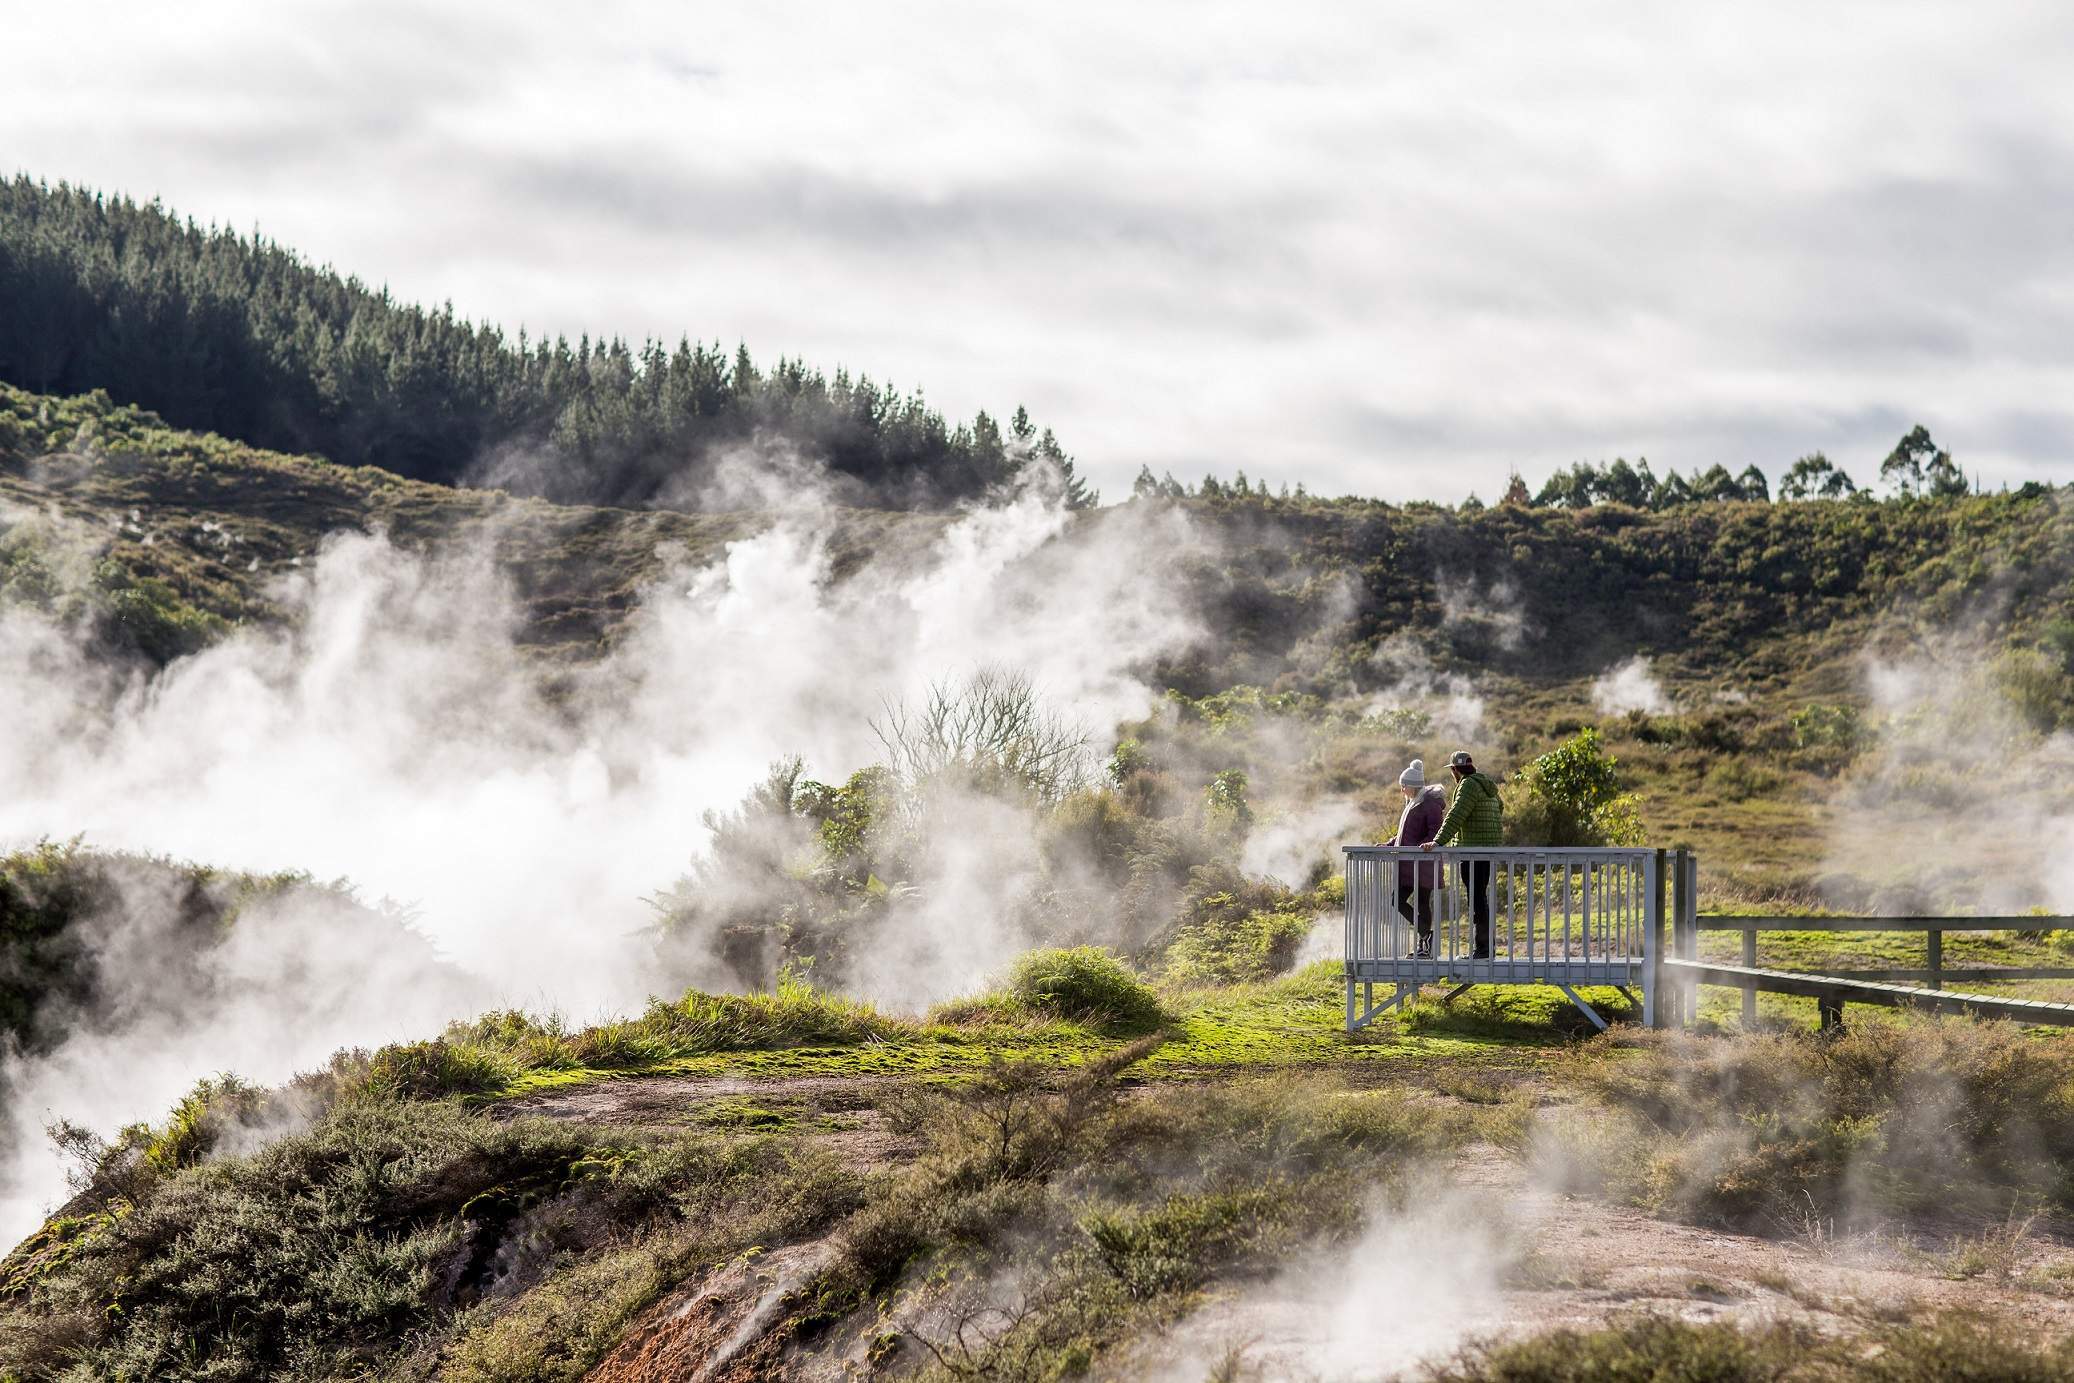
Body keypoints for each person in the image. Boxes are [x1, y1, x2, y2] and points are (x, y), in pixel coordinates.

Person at [1422, 750, 1503, 958]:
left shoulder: (1467, 785)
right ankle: (1486, 947)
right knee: (1479, 897)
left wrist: (1438, 841)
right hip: (1488, 849)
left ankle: (1483, 949)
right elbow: (1499, 807)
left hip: (1472, 850)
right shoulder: (1486, 785)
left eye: (1452, 770)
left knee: (1476, 898)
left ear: (1455, 770)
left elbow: (1456, 815)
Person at [1383, 759, 1447, 957]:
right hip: (1412, 865)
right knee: (1404, 901)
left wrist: (1420, 848)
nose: (1402, 790)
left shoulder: (1429, 805)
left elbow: (1435, 833)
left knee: (1414, 902)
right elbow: (1406, 834)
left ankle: (1426, 940)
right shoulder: (1414, 803)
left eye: (1403, 786)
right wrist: (1390, 844)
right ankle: (1426, 941)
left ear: (1411, 786)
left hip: (1423, 863)